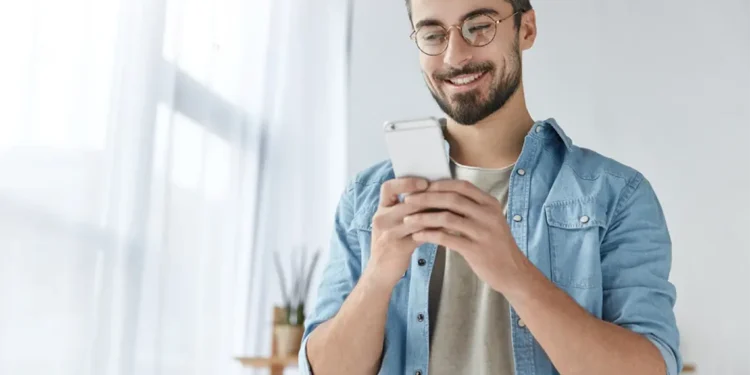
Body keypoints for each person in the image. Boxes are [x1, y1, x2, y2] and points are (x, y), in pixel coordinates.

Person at [298, 0, 681, 374]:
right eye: (432, 34)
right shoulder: (366, 200)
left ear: (526, 28)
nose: (454, 56)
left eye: (478, 27)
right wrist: (378, 277)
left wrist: (514, 274)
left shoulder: (616, 195)